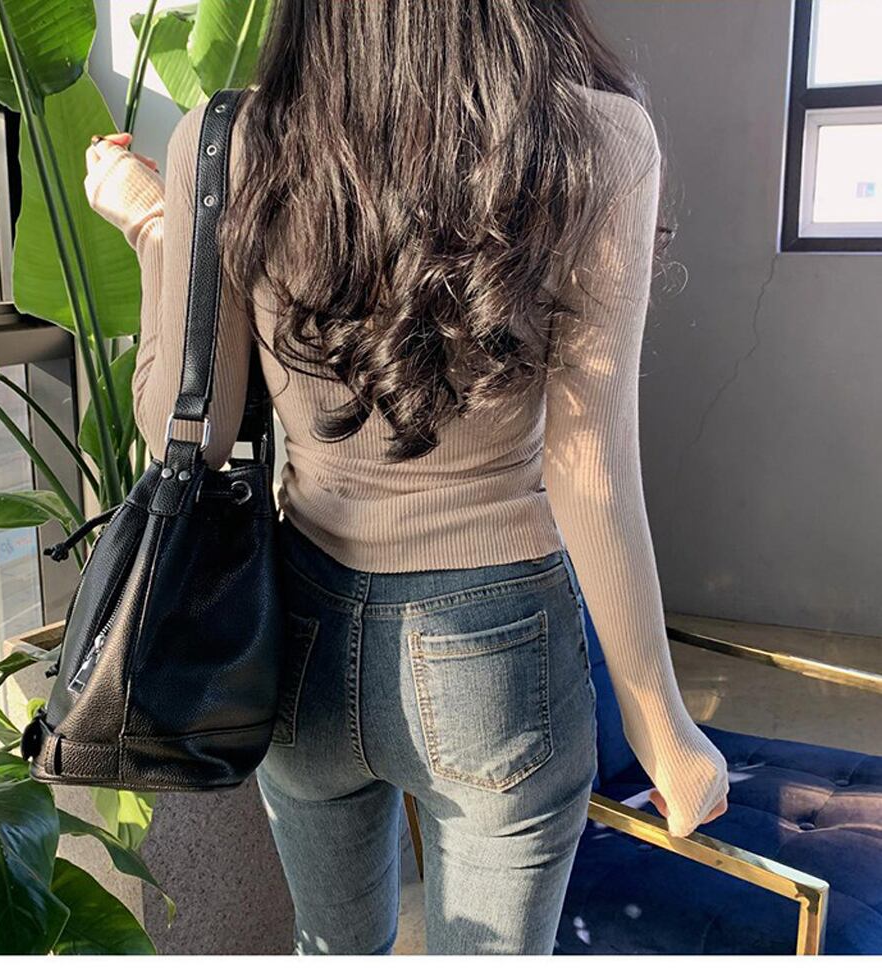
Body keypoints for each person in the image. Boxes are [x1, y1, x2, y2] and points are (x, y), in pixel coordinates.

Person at [83, 0, 728, 955]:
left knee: (334, 951)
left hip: (299, 636)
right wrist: (661, 724)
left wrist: (153, 229)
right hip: (500, 656)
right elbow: (589, 465)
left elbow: (193, 431)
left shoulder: (231, 141)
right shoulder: (597, 138)